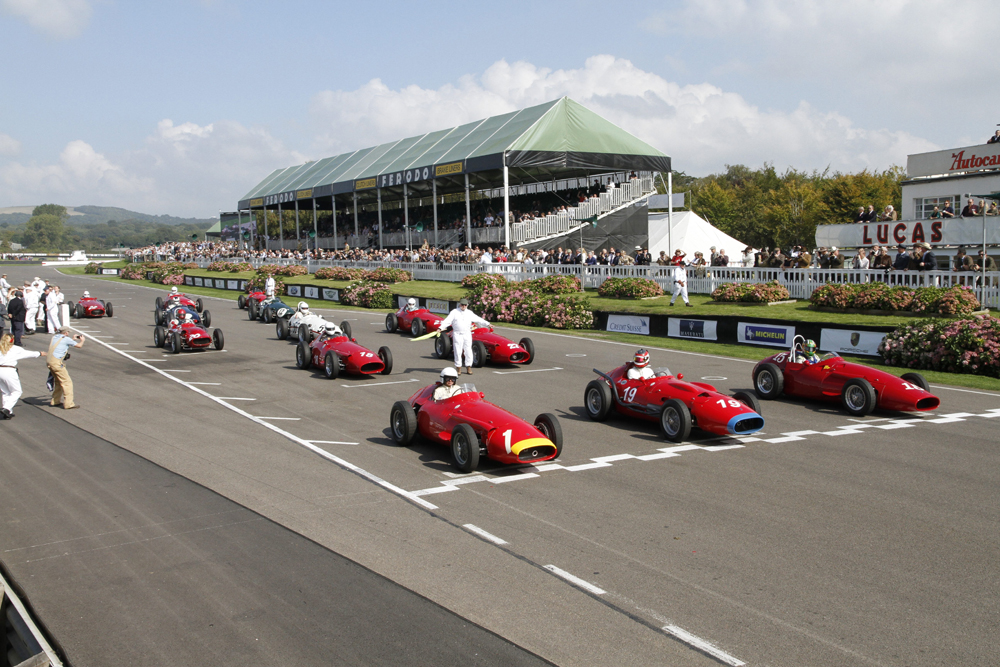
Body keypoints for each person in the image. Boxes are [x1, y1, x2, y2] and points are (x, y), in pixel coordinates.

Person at [0, 332, 46, 419]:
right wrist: (39, 353)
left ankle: (8, 411)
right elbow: (27, 353)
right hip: (8, 370)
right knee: (17, 391)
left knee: (5, 391)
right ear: (12, 340)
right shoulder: (15, 349)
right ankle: (6, 408)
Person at [439, 298, 490, 375]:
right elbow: (447, 320)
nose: (463, 306)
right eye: (462, 305)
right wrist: (440, 328)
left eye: (465, 305)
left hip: (467, 333)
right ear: (459, 304)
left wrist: (488, 324)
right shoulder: (454, 312)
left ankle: (468, 367)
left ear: (467, 305)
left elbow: (478, 319)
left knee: (468, 350)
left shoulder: (469, 313)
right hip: (457, 333)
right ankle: (458, 367)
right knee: (457, 350)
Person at [47, 327, 84, 410]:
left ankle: (55, 400)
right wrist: (82, 340)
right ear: (66, 332)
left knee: (58, 381)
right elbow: (79, 346)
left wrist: (72, 339)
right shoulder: (66, 339)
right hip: (56, 363)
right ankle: (69, 404)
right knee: (67, 382)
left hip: (49, 361)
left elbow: (62, 343)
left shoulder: (55, 337)